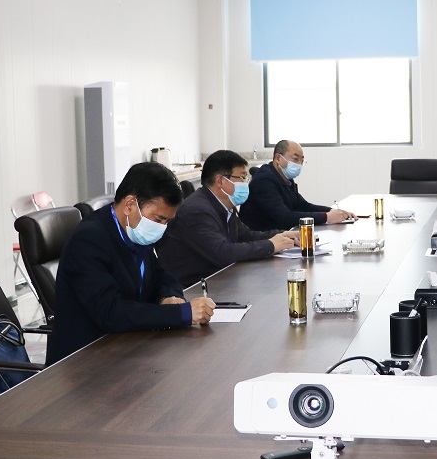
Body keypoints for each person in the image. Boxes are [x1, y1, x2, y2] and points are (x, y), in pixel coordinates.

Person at [48, 162, 215, 365]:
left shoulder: (134, 230)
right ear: (130, 205)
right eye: (158, 219)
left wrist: (169, 297)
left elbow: (160, 274)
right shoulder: (89, 240)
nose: (162, 228)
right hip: (84, 361)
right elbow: (111, 313)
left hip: (127, 346)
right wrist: (182, 313)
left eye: (167, 222)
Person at [156, 150, 300, 288]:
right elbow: (223, 253)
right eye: (242, 178)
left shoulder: (223, 205)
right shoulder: (197, 210)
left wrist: (283, 235)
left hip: (218, 280)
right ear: (220, 181)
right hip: (192, 289)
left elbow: (246, 235)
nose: (246, 183)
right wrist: (271, 245)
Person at [240, 140, 355, 230]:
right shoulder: (264, 181)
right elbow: (285, 218)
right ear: (278, 158)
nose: (299, 164)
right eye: (295, 159)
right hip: (261, 240)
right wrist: (326, 217)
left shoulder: (285, 177)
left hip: (280, 235)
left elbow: (302, 205)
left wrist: (332, 211)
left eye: (301, 160)